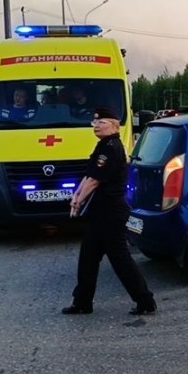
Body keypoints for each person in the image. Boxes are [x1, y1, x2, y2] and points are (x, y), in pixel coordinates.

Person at [62, 106, 157, 316]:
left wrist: (78, 201)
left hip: (111, 213)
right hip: (100, 213)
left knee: (120, 259)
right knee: (88, 257)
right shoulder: (103, 145)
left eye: (101, 122)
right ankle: (82, 302)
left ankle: (145, 300)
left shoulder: (111, 148)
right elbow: (89, 175)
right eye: (94, 122)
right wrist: (76, 196)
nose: (96, 125)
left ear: (114, 126)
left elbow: (95, 181)